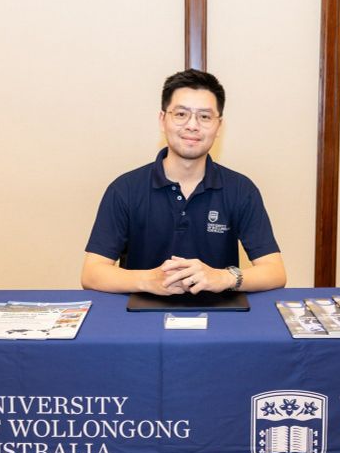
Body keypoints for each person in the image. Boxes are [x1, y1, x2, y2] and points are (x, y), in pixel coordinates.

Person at [81, 69, 286, 295]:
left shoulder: (241, 189)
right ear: (162, 120)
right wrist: (149, 280)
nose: (192, 125)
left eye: (204, 117)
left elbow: (275, 272)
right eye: (181, 114)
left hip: (221, 312)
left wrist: (223, 277)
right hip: (140, 313)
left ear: (219, 126)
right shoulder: (125, 189)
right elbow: (92, 273)